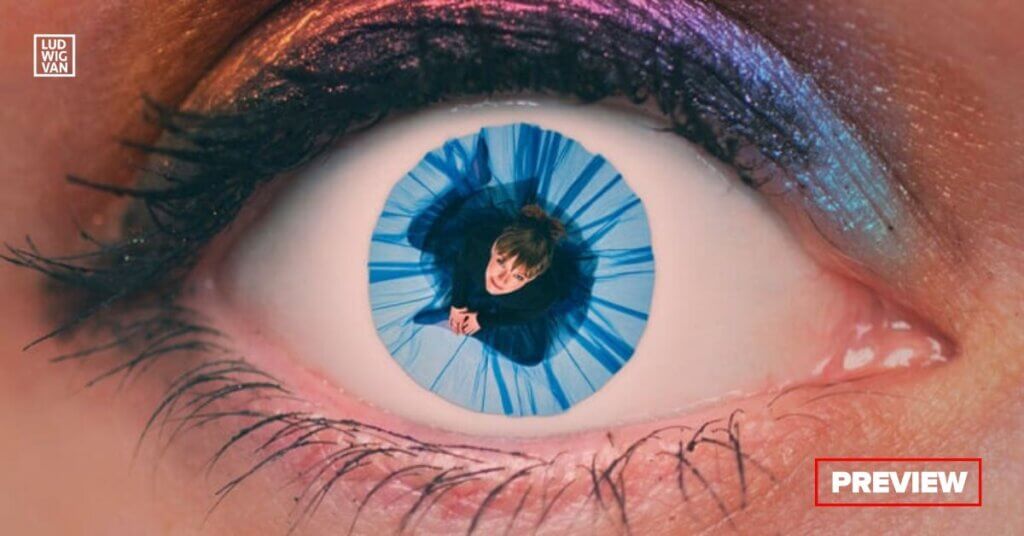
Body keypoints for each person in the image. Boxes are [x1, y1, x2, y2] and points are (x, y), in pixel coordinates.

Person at [447, 204, 566, 336]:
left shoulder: (541, 296)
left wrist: (482, 320)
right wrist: (457, 304)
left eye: (519, 276)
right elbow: (462, 265)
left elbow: (521, 316)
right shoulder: (477, 244)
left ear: (532, 278)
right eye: (501, 262)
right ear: (494, 247)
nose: (502, 280)